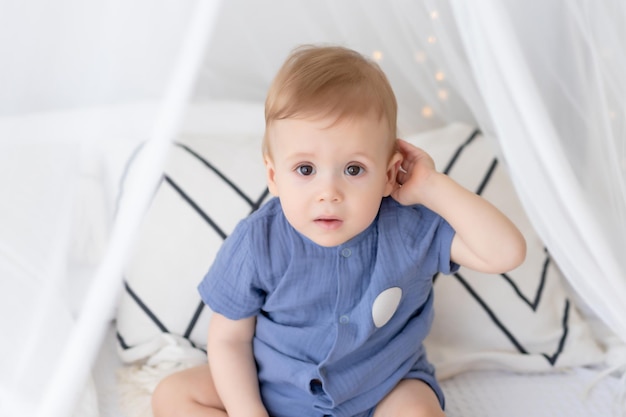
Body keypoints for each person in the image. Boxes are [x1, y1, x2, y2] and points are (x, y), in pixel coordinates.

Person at [151, 44, 526, 417]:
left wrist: (431, 185)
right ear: (273, 176)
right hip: (275, 389)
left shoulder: (411, 226)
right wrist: (249, 412)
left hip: (383, 388)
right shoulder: (259, 241)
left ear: (389, 173)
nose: (328, 194)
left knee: (417, 410)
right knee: (173, 396)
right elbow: (229, 339)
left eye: (353, 169)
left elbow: (506, 253)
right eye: (305, 170)